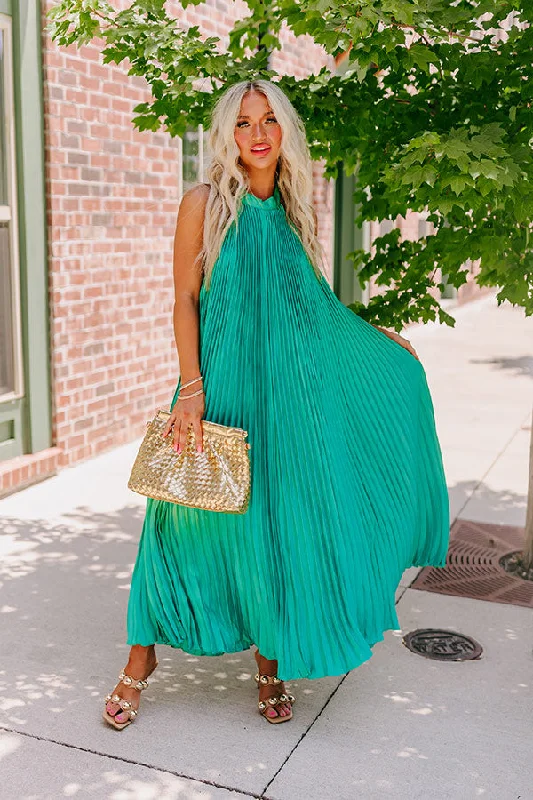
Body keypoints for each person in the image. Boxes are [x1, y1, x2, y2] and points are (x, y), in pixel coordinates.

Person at [103, 79, 449, 730]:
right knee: (180, 527)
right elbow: (184, 299)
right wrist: (192, 389)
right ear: (225, 135)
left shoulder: (293, 207)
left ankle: (268, 666)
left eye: (267, 121)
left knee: (273, 526)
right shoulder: (203, 204)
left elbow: (311, 305)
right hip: (218, 390)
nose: (257, 134)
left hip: (283, 398)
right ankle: (139, 660)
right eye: (242, 123)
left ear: (283, 130)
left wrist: (372, 337)